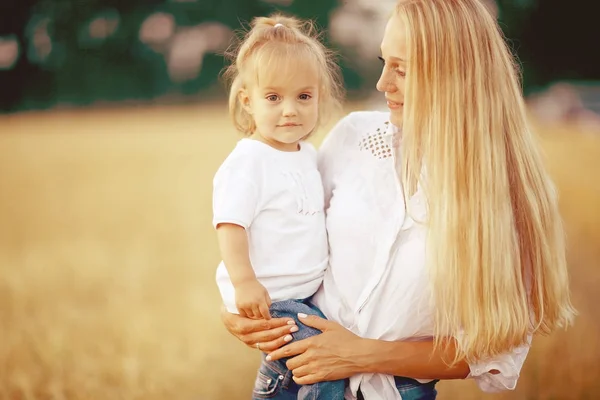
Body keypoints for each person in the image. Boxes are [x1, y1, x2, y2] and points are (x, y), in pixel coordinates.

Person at [220, 1, 577, 399]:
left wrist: (363, 355)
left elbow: (495, 355)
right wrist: (238, 308)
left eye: (402, 69)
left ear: (455, 74)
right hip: (300, 381)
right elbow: (280, 231)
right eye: (383, 61)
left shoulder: (508, 194)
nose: (382, 83)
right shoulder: (352, 137)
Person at [212, 13, 347, 400]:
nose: (290, 110)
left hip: (303, 295)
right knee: (322, 364)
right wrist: (245, 282)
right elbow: (230, 224)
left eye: (303, 96)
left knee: (293, 374)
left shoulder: (307, 153)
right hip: (270, 295)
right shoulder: (249, 161)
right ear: (248, 102)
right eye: (273, 97)